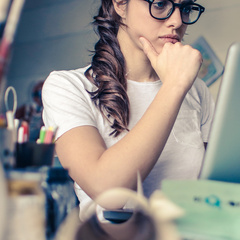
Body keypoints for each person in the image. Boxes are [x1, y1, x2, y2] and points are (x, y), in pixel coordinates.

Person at [42, 0, 215, 219]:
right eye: (161, 4)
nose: (178, 21)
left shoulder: (197, 90)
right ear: (121, 5)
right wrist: (174, 86)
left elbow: (217, 187)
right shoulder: (67, 87)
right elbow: (107, 192)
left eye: (186, 8)